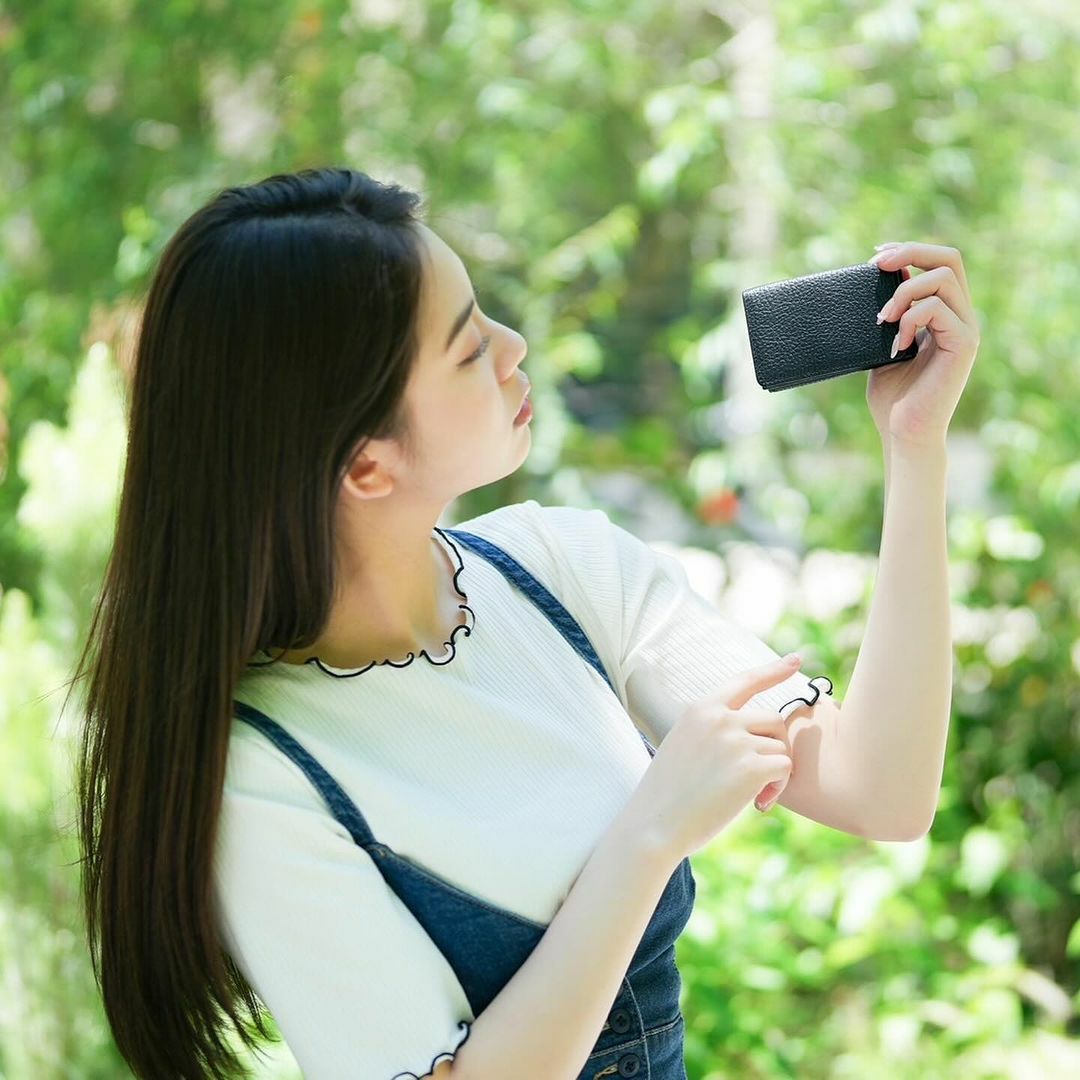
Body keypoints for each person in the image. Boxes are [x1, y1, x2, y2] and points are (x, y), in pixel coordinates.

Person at [68, 166, 832, 1079]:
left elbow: (882, 795)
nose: (513, 348)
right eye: (469, 350)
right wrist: (650, 834)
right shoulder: (259, 774)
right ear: (366, 466)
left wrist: (914, 444)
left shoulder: (556, 564)